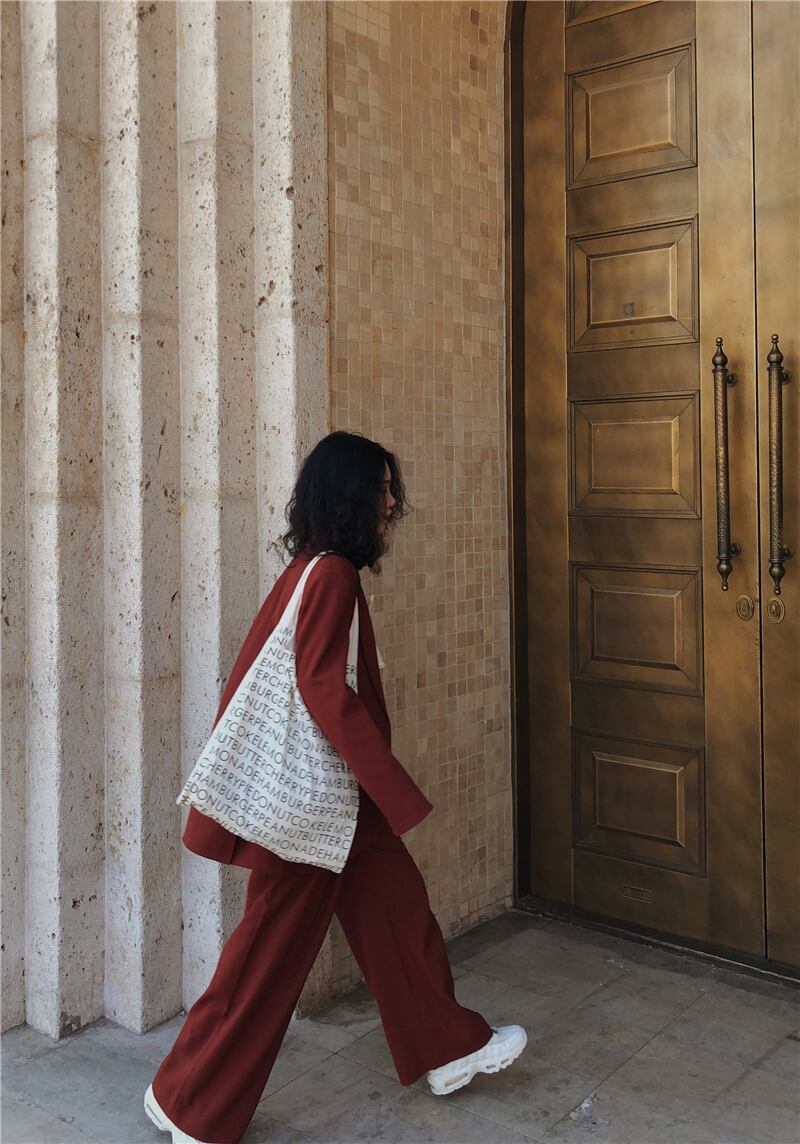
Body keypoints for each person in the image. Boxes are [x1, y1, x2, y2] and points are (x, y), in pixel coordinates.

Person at [144, 431, 527, 1144]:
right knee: (268, 954)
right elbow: (322, 686)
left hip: (337, 800)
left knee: (397, 914)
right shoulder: (334, 576)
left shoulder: (310, 568)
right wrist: (392, 785)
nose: (391, 503)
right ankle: (187, 1100)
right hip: (318, 803)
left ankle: (448, 1049)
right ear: (351, 495)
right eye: (381, 488)